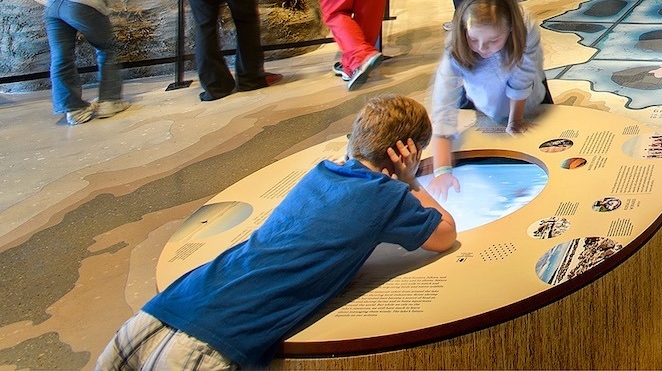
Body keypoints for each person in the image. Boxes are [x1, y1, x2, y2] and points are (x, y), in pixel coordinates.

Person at [97, 94, 455, 371]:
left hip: (167, 309)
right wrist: (409, 182)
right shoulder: (386, 195)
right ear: (407, 151)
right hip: (213, 339)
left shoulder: (321, 173)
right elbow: (445, 235)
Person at [427, 0, 551, 198]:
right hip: (484, 103)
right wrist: (442, 170)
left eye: (493, 40)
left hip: (529, 99)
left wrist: (515, 122)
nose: (482, 48)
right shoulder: (456, 48)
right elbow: (443, 104)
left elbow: (522, 78)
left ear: (510, 30)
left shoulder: (525, 28)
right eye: (473, 39)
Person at [46, 0, 167, 125]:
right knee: (108, 51)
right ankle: (109, 101)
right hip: (85, 6)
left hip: (56, 1)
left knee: (61, 58)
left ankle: (74, 110)